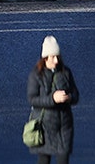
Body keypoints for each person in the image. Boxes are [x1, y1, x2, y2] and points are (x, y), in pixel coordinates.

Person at [26, 35, 79, 163]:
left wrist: (69, 98)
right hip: (45, 128)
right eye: (52, 57)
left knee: (63, 159)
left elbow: (76, 95)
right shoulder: (36, 75)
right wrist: (53, 99)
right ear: (45, 58)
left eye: (57, 56)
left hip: (64, 128)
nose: (56, 60)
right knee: (44, 160)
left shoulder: (65, 72)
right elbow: (32, 99)